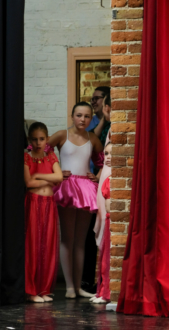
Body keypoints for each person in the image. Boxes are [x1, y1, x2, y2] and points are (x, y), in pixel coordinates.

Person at [48, 102, 103, 299]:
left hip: (86, 188)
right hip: (67, 187)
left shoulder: (92, 138)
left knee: (80, 241)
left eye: (87, 116)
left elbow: (103, 160)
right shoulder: (62, 135)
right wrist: (55, 171)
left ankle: (78, 287)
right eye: (79, 115)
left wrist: (98, 176)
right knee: (67, 238)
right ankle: (69, 287)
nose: (83, 119)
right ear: (72, 116)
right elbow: (40, 151)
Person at [24, 122, 63, 303]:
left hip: (49, 204)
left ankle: (44, 289)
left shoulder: (51, 156)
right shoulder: (26, 157)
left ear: (47, 139)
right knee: (33, 245)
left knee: (47, 245)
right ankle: (32, 290)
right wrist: (50, 180)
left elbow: (59, 177)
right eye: (34, 139)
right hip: (34, 203)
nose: (38, 143)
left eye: (41, 139)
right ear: (29, 140)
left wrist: (39, 176)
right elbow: (29, 183)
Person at [91, 142, 112, 304]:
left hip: (113, 222)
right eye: (106, 154)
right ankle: (103, 290)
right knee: (104, 258)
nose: (109, 157)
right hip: (107, 220)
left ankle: (107, 293)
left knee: (110, 257)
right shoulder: (106, 178)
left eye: (112, 154)